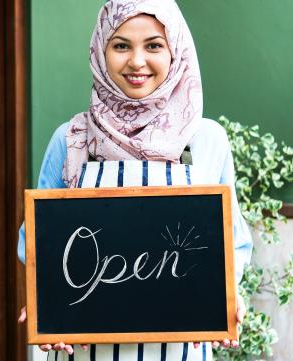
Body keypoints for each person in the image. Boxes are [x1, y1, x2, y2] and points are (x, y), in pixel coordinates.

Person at [17, 0, 253, 360]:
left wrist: (228, 301)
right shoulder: (71, 138)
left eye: (154, 45)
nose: (137, 61)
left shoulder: (206, 139)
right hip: (82, 351)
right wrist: (42, 306)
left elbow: (232, 244)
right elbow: (36, 242)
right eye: (121, 45)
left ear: (176, 52)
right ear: (100, 51)